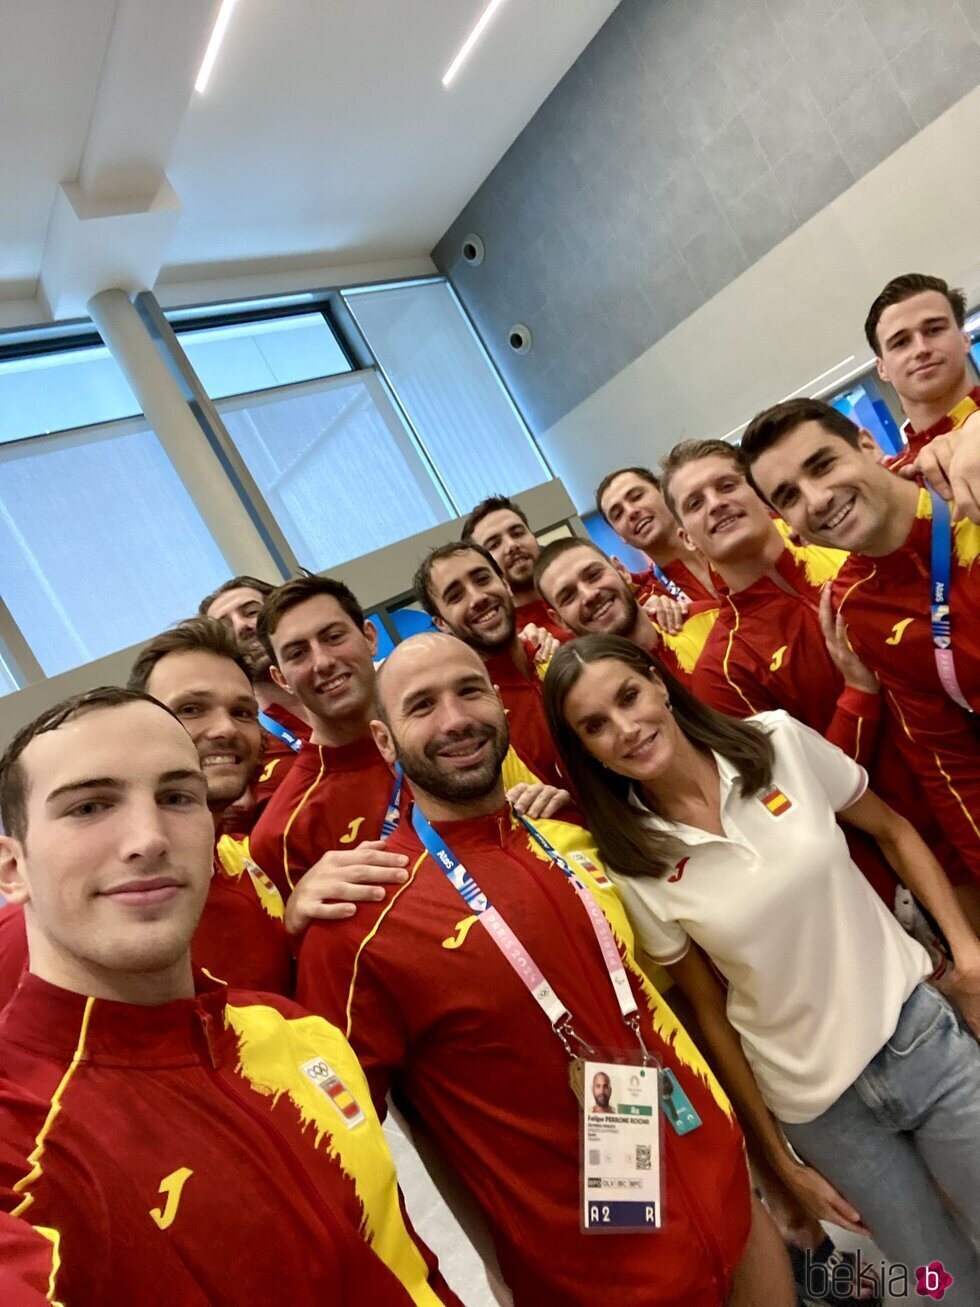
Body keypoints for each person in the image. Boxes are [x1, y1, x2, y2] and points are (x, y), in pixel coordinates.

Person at [296, 632, 794, 1307]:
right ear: (386, 742)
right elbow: (344, 1159)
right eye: (422, 705)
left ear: (500, 705)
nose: (455, 718)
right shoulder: (362, 919)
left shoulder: (564, 837)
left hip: (730, 1204)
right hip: (597, 1281)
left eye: (469, 691)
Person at [543, 634, 980, 1290]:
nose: (626, 729)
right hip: (824, 1113)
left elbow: (892, 830)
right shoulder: (634, 861)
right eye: (595, 726)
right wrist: (778, 1157)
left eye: (629, 697)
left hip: (919, 1037)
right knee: (938, 1284)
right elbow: (712, 1013)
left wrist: (967, 950)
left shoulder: (775, 742)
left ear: (659, 684)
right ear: (583, 749)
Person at [0, 687, 457, 1306]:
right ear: (13, 869)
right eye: (88, 807)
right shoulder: (19, 1143)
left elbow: (405, 1262)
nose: (149, 837)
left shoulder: (293, 1032)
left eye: (176, 797)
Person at [657, 437, 957, 906]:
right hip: (922, 862)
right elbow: (804, 802)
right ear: (687, 538)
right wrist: (859, 693)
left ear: (759, 491)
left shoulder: (848, 553)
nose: (716, 504)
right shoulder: (723, 669)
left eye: (727, 485)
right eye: (696, 503)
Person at [740, 396, 980, 924]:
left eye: (822, 464)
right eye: (790, 496)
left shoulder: (966, 477)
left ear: (867, 444)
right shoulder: (857, 609)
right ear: (788, 524)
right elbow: (948, 763)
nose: (818, 498)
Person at [248, 573, 569, 928]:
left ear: (370, 638)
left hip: (542, 916)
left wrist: (550, 811)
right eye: (298, 653)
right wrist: (292, 921)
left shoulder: (463, 732)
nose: (322, 661)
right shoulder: (283, 831)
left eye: (333, 637)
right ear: (280, 679)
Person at [0, 619, 292, 1000]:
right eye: (191, 708)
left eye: (242, 712)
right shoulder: (26, 931)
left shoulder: (248, 863)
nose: (224, 728)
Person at [414, 542, 567, 789]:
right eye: (456, 596)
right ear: (442, 623)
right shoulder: (468, 720)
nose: (477, 598)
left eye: (483, 579)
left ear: (505, 584)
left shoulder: (562, 654)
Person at [864, 273, 980, 522]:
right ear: (882, 368)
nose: (921, 349)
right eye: (901, 342)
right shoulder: (892, 483)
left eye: (934, 330)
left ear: (964, 339)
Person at [200, 575, 312, 814]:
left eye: (251, 612)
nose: (242, 627)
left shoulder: (356, 694)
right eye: (226, 626)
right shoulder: (238, 745)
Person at [533, 537, 715, 683]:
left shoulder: (708, 622)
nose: (589, 595)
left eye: (594, 575)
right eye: (568, 596)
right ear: (559, 621)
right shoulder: (590, 699)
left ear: (621, 570)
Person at [596, 466, 718, 607]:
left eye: (637, 497)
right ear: (620, 536)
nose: (630, 512)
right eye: (618, 515)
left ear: (664, 493)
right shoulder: (653, 603)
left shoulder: (725, 537)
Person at [461, 494, 572, 642]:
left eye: (518, 533)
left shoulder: (581, 595)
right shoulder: (505, 640)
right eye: (494, 545)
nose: (512, 545)